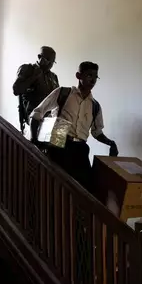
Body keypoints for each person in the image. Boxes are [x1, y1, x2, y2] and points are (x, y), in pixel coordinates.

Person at [30, 61, 118, 191]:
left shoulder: (95, 105)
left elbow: (96, 132)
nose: (93, 80)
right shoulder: (63, 93)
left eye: (95, 77)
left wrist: (110, 143)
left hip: (80, 149)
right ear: (78, 75)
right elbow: (37, 113)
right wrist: (34, 139)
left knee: (87, 187)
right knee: (55, 184)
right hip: (59, 143)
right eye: (89, 75)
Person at [13, 46, 60, 133]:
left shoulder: (53, 77)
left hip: (50, 115)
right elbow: (16, 90)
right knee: (48, 128)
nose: (50, 64)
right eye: (47, 60)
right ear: (39, 57)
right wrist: (33, 77)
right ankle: (38, 143)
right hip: (34, 114)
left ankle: (58, 145)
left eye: (52, 62)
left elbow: (57, 98)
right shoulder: (28, 69)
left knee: (63, 128)